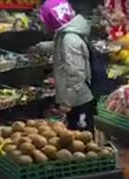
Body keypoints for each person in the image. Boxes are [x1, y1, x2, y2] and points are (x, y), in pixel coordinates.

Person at [38, 0, 95, 130]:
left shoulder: (69, 39)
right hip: (78, 97)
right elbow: (62, 48)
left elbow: (76, 73)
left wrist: (69, 102)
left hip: (78, 100)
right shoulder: (68, 32)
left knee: (81, 138)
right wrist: (43, 47)